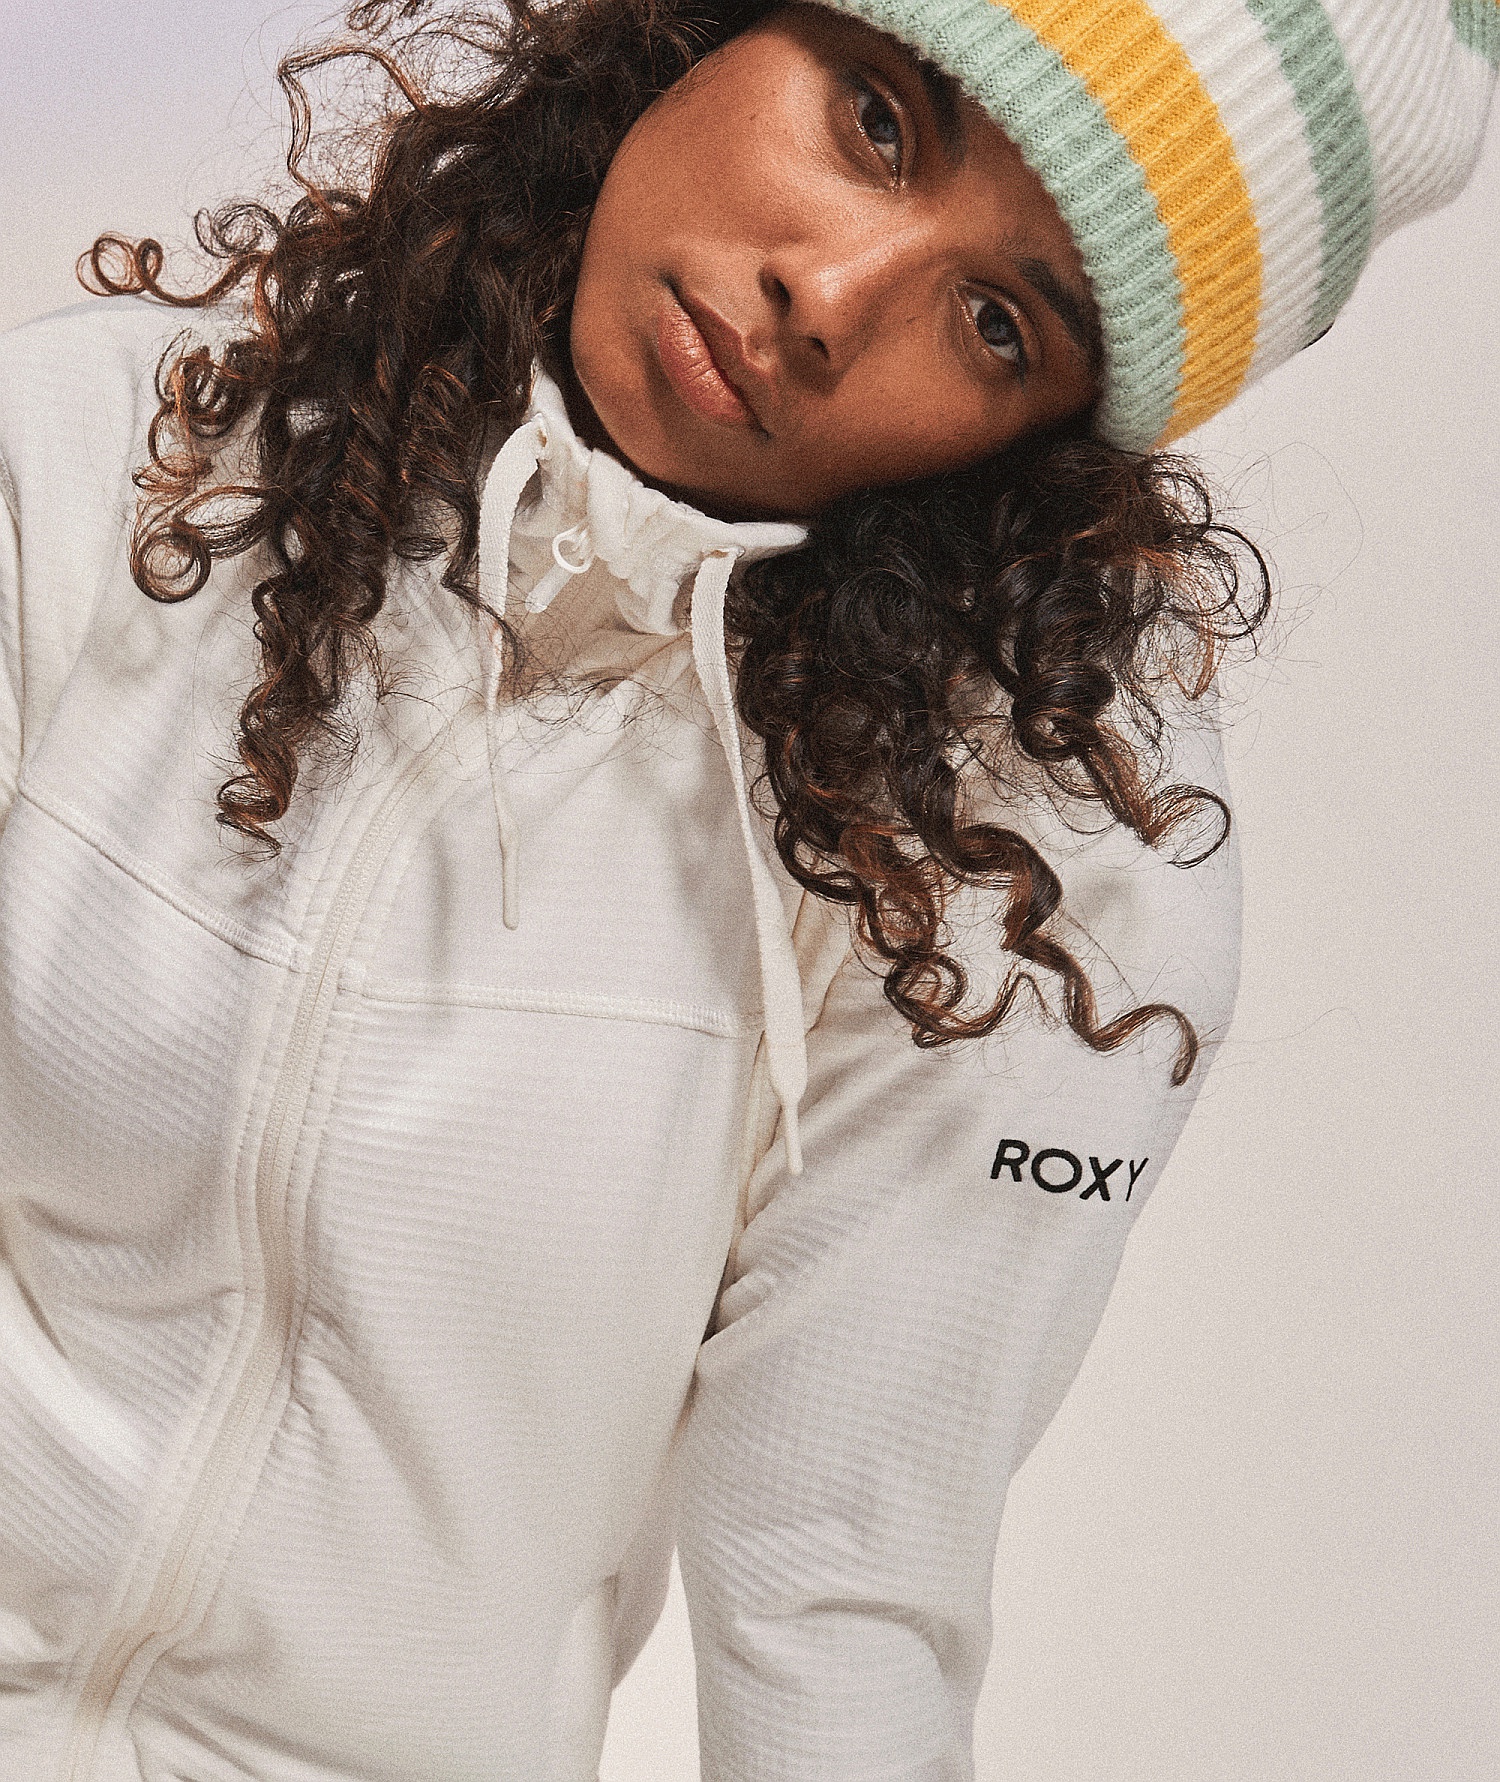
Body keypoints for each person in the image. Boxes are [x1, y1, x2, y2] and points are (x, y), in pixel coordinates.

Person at [0, 2, 1492, 1780]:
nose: (832, 294)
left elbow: (835, 1593)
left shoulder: (1008, 883)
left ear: (1041, 445)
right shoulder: (114, 465)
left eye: (999, 323)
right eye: (882, 121)